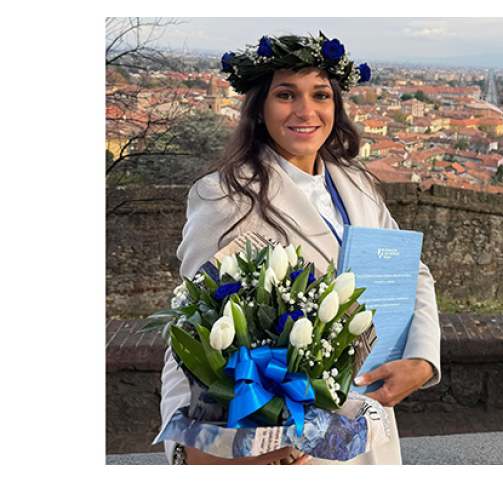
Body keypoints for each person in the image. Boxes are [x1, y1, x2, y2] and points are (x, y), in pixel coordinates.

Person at [159, 32, 441, 465]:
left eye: (320, 95)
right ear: (259, 108)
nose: (306, 111)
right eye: (286, 95)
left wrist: (423, 358)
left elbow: (411, 273)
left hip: (367, 423)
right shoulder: (227, 197)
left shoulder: (358, 184)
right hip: (280, 447)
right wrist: (190, 448)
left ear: (336, 106)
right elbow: (194, 328)